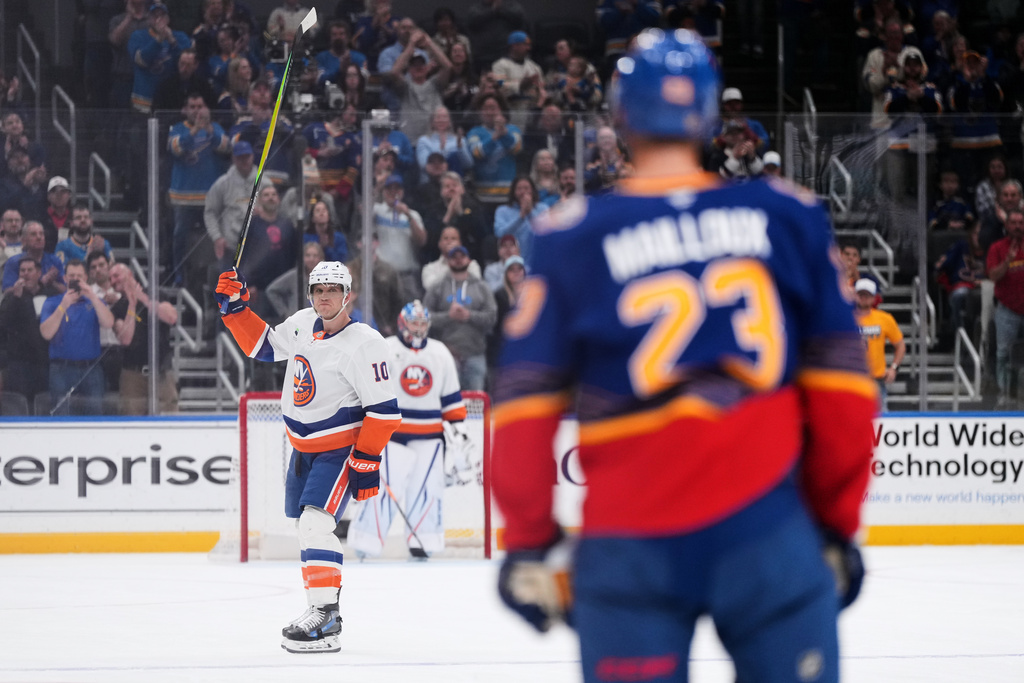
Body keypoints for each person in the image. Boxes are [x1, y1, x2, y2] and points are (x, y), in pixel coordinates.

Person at [491, 29, 876, 683]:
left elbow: (523, 406)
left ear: (621, 115)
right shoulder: (787, 215)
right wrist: (834, 524)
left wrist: (530, 538)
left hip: (630, 544)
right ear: (706, 113)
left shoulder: (572, 235)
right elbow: (843, 392)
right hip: (769, 534)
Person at [215, 260, 401, 653]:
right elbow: (263, 346)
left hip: (338, 450)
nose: (325, 297)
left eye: (333, 290)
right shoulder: (302, 323)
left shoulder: (365, 343)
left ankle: (327, 616)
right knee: (306, 526)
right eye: (319, 290)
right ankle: (318, 609)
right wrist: (235, 309)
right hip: (303, 451)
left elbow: (384, 412)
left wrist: (365, 461)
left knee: (317, 524)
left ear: (348, 294)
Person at [348, 300, 471, 558]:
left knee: (427, 491)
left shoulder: (439, 353)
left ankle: (422, 542)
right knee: (379, 490)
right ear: (402, 322)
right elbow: (372, 392)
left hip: (430, 436)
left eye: (422, 323)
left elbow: (450, 398)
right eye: (414, 322)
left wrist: (458, 433)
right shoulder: (386, 348)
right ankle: (366, 542)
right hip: (391, 435)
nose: (418, 328)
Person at [168, 93, 231, 286]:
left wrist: (209, 129)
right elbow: (175, 149)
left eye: (200, 106)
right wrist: (195, 130)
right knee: (180, 237)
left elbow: (225, 147)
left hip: (209, 197)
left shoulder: (215, 128)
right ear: (185, 110)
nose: (196, 111)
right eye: (192, 107)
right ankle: (178, 274)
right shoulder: (177, 129)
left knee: (216, 238)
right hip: (184, 197)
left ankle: (218, 276)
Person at [39, 259, 115, 414]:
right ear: (65, 278)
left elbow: (108, 323)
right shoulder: (52, 302)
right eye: (71, 276)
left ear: (86, 278)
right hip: (61, 369)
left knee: (94, 416)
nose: (75, 280)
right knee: (61, 416)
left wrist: (93, 297)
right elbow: (46, 333)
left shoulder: (95, 301)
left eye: (79, 276)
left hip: (91, 369)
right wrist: (64, 305)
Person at [108, 263, 179, 415]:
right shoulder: (118, 308)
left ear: (130, 275)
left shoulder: (156, 294)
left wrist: (143, 299)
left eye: (116, 275)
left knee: (169, 418)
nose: (113, 281)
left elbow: (171, 317)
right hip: (132, 375)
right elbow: (126, 339)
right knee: (132, 421)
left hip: (161, 372)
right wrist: (132, 305)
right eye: (110, 279)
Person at [423, 245, 496, 391]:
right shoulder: (437, 287)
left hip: (475, 353)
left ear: (469, 260)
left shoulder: (482, 287)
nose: (458, 260)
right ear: (448, 261)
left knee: (477, 404)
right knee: (448, 403)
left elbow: (492, 317)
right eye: (454, 257)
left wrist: (469, 315)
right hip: (446, 354)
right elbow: (423, 318)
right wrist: (448, 316)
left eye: (461, 257)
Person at [0, 257, 58, 406]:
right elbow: (3, 323)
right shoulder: (12, 296)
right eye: (22, 270)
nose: (25, 274)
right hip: (18, 363)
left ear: (39, 273)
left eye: (29, 270)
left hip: (44, 361)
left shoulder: (51, 294)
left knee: (44, 405)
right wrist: (16, 298)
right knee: (18, 406)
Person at [986, 207, 1024, 407]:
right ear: (1007, 225)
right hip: (1007, 310)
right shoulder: (998, 248)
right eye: (1014, 223)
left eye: (1021, 223)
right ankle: (1003, 395)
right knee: (1003, 354)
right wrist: (1007, 262)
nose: (1018, 227)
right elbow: (993, 276)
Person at [127, 2, 192, 114]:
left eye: (162, 15)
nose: (159, 19)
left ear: (168, 18)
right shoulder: (137, 36)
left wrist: (172, 41)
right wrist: (158, 40)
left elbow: (185, 64)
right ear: (149, 19)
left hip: (171, 98)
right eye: (155, 16)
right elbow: (141, 60)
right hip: (143, 99)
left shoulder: (180, 37)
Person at [204, 141, 258, 268]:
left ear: (252, 157)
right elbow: (210, 212)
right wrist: (217, 238)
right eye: (240, 158)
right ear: (233, 159)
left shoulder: (264, 181)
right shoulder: (222, 183)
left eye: (247, 157)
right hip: (231, 247)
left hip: (258, 248)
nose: (244, 161)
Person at [373, 174, 428, 299]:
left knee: (411, 312)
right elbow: (362, 209)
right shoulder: (377, 210)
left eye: (396, 189)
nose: (393, 192)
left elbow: (422, 241)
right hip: (383, 274)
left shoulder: (413, 215)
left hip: (407, 275)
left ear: (402, 192)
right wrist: (377, 187)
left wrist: (408, 215)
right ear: (384, 191)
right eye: (389, 189)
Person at [854, 278, 905, 410]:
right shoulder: (845, 318)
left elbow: (900, 345)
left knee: (881, 421)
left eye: (867, 295)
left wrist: (893, 367)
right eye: (861, 294)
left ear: (874, 297)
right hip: (853, 379)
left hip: (876, 379)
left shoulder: (884, 318)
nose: (864, 298)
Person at [467, 94, 523, 207]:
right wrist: (494, 137)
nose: (489, 112)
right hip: (483, 195)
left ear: (500, 110)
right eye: (485, 108)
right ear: (480, 112)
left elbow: (517, 148)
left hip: (509, 194)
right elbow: (477, 153)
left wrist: (504, 133)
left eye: (493, 108)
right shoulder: (474, 132)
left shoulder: (513, 129)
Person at [1, 221, 65, 296]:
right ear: (24, 241)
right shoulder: (13, 262)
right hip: (23, 304)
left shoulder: (55, 260)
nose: (39, 237)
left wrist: (53, 283)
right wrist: (39, 283)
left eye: (41, 234)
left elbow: (65, 290)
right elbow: (7, 292)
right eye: (33, 234)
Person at [493, 176, 547, 265]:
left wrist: (530, 212)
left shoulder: (542, 208)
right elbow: (499, 233)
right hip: (511, 264)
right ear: (514, 191)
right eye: (519, 188)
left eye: (526, 188)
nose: (523, 192)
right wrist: (520, 217)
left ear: (533, 190)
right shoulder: (502, 210)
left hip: (537, 261)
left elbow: (546, 231)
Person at [422, 225, 482, 291]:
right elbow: (430, 287)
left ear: (460, 244)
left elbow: (477, 284)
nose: (449, 241)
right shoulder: (429, 268)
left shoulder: (471, 264)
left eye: (453, 238)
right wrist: (451, 265)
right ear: (439, 243)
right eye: (445, 238)